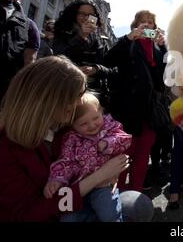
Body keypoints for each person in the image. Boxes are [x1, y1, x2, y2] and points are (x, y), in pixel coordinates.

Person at [0, 56, 153, 222]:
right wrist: (97, 177)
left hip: (83, 200)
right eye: (75, 95)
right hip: (55, 214)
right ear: (47, 100)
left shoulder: (66, 124)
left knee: (140, 206)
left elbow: (111, 138)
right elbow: (30, 213)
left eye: (82, 93)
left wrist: (109, 165)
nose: (79, 103)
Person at [104, 10, 168, 192]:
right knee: (123, 155)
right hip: (126, 110)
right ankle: (118, 194)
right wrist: (128, 38)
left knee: (142, 155)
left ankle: (135, 193)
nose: (147, 25)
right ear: (135, 26)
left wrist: (163, 47)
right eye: (143, 22)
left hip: (149, 111)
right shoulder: (128, 43)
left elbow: (163, 80)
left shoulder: (156, 49)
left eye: (150, 22)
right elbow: (108, 60)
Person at [44, 93, 132, 222]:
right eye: (83, 124)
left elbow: (125, 139)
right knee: (67, 219)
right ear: (72, 125)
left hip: (103, 185)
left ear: (101, 112)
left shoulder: (110, 126)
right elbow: (66, 162)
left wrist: (108, 143)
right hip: (78, 185)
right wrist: (57, 179)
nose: (92, 125)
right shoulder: (71, 139)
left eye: (96, 118)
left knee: (110, 214)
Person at [53, 0, 114, 108]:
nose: (86, 18)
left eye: (91, 15)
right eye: (82, 14)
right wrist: (81, 36)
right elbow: (59, 58)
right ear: (74, 14)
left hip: (94, 92)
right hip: (67, 89)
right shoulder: (62, 33)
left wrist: (96, 69)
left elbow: (110, 68)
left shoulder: (100, 40)